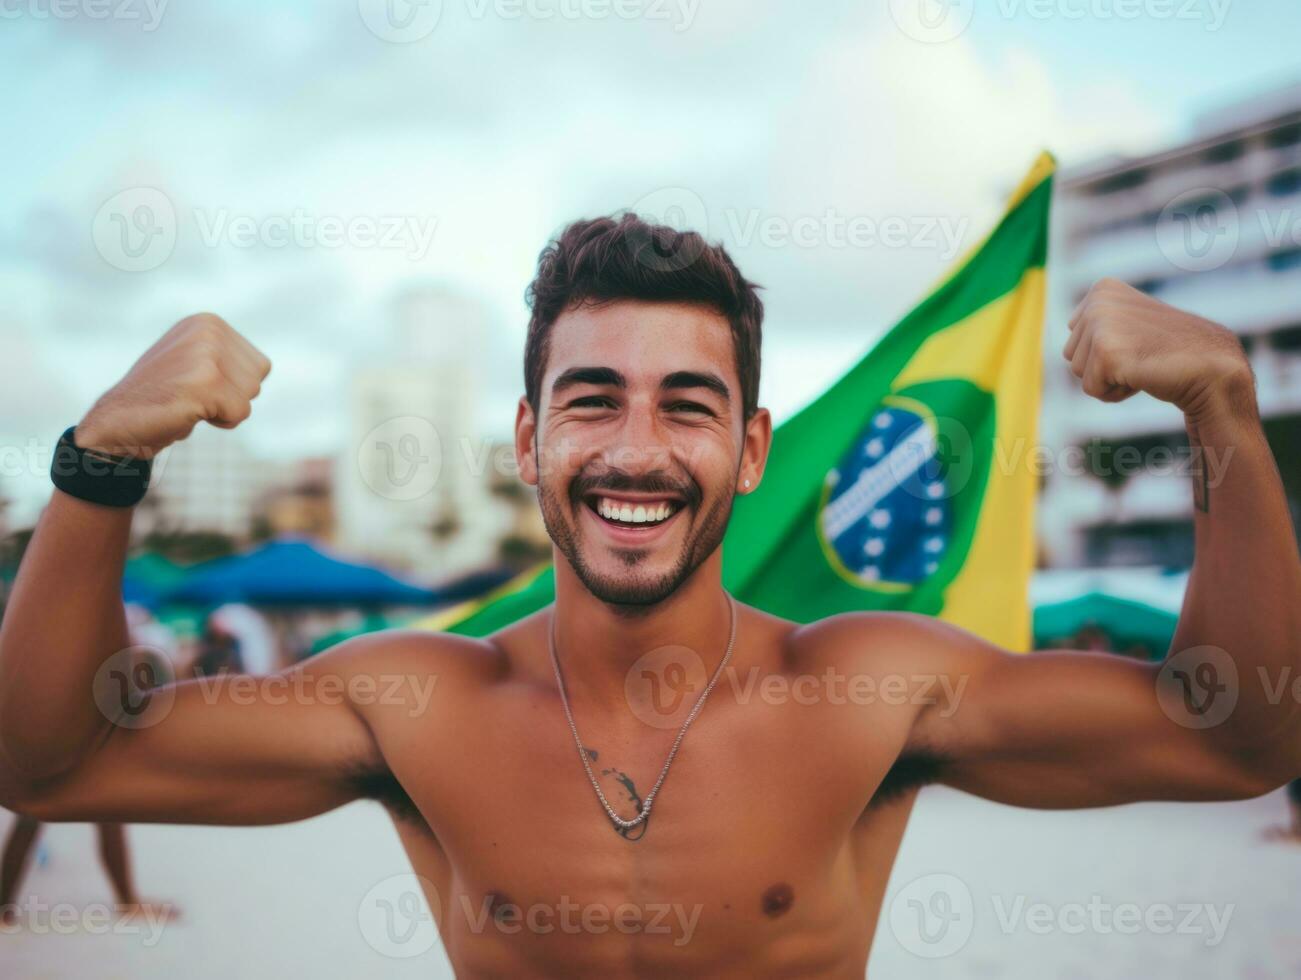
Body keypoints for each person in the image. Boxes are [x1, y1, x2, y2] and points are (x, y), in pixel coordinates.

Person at [0, 216, 1297, 977]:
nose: (633, 449)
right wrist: (102, 457)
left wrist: (1221, 412)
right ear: (527, 441)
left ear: (747, 450)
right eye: (589, 400)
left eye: (687, 403)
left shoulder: (865, 690)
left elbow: (1234, 738)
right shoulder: (414, 702)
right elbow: (52, 766)